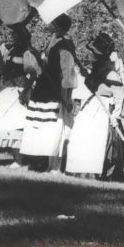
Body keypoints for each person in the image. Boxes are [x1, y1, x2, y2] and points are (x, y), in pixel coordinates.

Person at [20, 14, 78, 173]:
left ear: (58, 26)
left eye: (52, 22)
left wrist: (67, 97)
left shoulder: (65, 46)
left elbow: (68, 73)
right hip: (43, 90)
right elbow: (40, 69)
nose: (49, 24)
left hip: (55, 92)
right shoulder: (50, 43)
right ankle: (43, 163)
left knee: (56, 129)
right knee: (42, 127)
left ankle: (56, 167)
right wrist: (37, 58)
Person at [66, 32, 124, 178]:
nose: (94, 57)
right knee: (82, 135)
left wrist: (115, 115)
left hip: (104, 108)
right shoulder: (97, 71)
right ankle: (81, 170)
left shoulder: (111, 74)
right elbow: (91, 85)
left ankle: (96, 172)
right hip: (92, 105)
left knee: (98, 140)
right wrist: (88, 76)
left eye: (96, 54)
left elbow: (119, 97)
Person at [0, 24, 38, 162]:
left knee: (18, 123)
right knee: (9, 123)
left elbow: (32, 72)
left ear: (22, 37)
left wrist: (25, 91)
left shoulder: (27, 52)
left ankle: (21, 159)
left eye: (16, 35)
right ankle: (16, 157)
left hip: (19, 88)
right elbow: (5, 69)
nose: (12, 36)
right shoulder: (11, 50)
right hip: (7, 87)